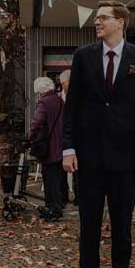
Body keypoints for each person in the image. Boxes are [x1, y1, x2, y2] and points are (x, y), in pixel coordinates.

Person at [62, 0, 135, 268]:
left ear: (121, 22)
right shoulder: (83, 57)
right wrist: (68, 148)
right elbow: (71, 107)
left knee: (122, 228)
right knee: (87, 227)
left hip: (125, 161)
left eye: (103, 17)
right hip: (88, 160)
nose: (97, 22)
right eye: (96, 17)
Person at [28, 77, 67, 221]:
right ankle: (60, 203)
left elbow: (37, 122)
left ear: (40, 90)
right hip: (61, 145)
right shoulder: (59, 100)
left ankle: (53, 209)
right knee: (58, 177)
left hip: (49, 146)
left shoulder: (44, 102)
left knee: (49, 179)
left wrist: (31, 136)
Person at [58, 69, 74, 208]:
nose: (64, 86)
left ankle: (77, 195)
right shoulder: (58, 98)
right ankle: (63, 195)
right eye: (62, 83)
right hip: (61, 137)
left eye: (66, 83)